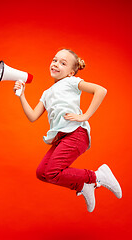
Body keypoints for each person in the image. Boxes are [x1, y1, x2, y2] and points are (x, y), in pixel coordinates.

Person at [13, 48, 122, 212]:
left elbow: (101, 90)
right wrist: (21, 96)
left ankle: (98, 176)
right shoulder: (47, 93)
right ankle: (82, 186)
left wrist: (85, 116)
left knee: (51, 172)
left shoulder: (71, 82)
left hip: (76, 134)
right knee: (42, 172)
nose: (56, 64)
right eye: (54, 60)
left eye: (62, 63)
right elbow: (33, 116)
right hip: (62, 137)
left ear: (71, 72)